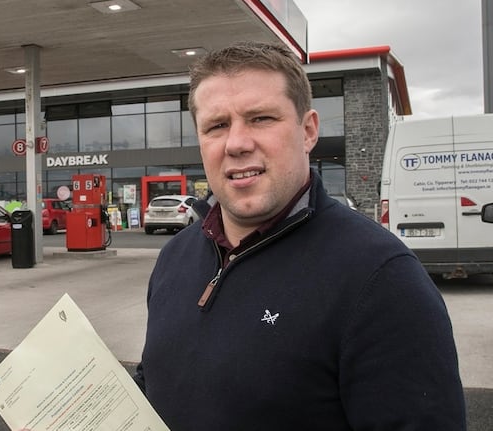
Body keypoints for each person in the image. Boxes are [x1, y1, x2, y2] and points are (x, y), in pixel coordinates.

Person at [133, 41, 466, 430]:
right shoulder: (176, 256)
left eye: (260, 118)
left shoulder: (381, 279)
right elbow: (159, 379)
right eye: (217, 126)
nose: (237, 143)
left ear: (308, 131)